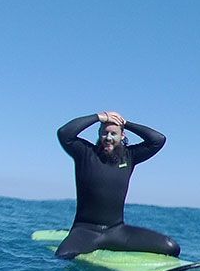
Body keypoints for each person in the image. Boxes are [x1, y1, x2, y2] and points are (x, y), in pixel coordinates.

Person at [55, 111, 180, 259]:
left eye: (113, 134)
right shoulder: (85, 153)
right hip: (85, 231)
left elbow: (158, 140)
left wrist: (125, 123)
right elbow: (64, 133)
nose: (108, 138)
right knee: (62, 256)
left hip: (116, 231)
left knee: (171, 247)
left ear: (122, 136)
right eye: (104, 133)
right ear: (99, 134)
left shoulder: (129, 156)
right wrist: (98, 117)